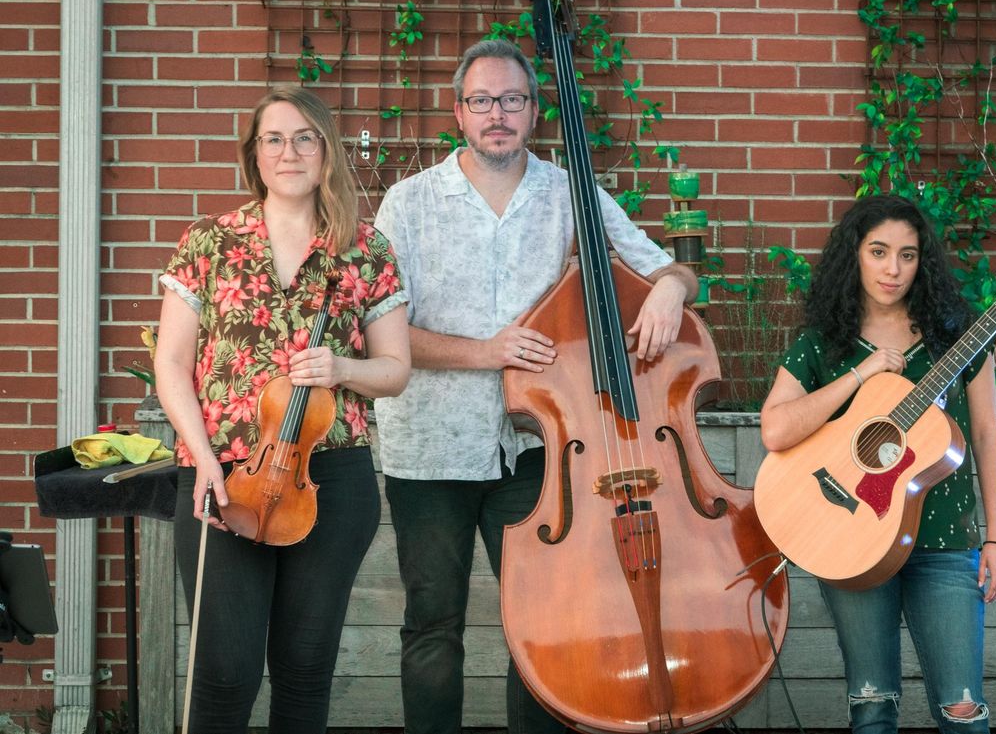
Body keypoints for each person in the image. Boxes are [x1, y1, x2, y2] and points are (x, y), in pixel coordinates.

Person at [372, 37, 698, 734]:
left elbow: (665, 267)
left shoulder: (570, 192)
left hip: (541, 449)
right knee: (433, 626)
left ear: (533, 110)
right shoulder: (408, 205)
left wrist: (670, 291)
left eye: (512, 99)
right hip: (430, 449)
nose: (498, 113)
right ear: (458, 111)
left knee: (549, 624)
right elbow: (382, 334)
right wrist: (486, 351)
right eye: (482, 100)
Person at [154, 86, 411, 734]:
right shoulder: (209, 240)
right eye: (273, 138)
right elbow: (171, 364)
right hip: (223, 475)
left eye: (304, 137)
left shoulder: (365, 248)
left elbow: (396, 369)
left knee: (303, 670)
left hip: (330, 481)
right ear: (255, 155)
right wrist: (204, 458)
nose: (288, 151)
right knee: (224, 670)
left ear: (326, 153)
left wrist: (342, 368)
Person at [759, 194, 996, 733]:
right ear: (854, 255)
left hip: (944, 543)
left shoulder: (957, 340)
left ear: (923, 262)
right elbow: (776, 428)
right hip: (852, 537)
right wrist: (861, 375)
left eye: (907, 255)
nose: (892, 269)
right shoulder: (822, 343)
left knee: (963, 711)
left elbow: (988, 435)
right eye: (878, 252)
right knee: (871, 709)